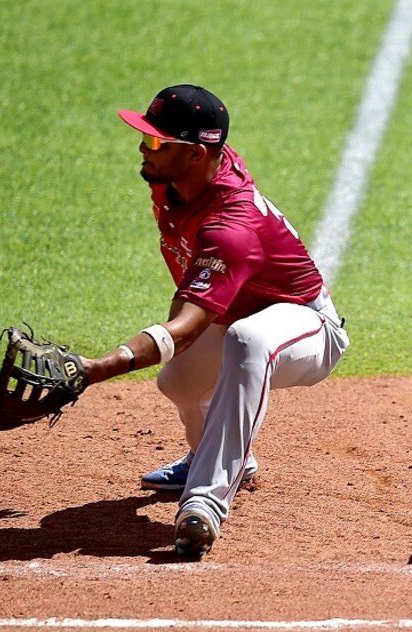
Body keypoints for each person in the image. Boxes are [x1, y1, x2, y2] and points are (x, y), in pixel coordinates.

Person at [80, 84, 350, 556]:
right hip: (235, 315)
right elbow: (187, 305)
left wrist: (97, 368)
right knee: (179, 383)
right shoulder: (175, 180)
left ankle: (204, 503)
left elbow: (187, 326)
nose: (145, 147)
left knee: (248, 340)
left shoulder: (232, 226)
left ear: (197, 154)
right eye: (146, 136)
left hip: (307, 328)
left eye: (159, 142)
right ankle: (215, 456)